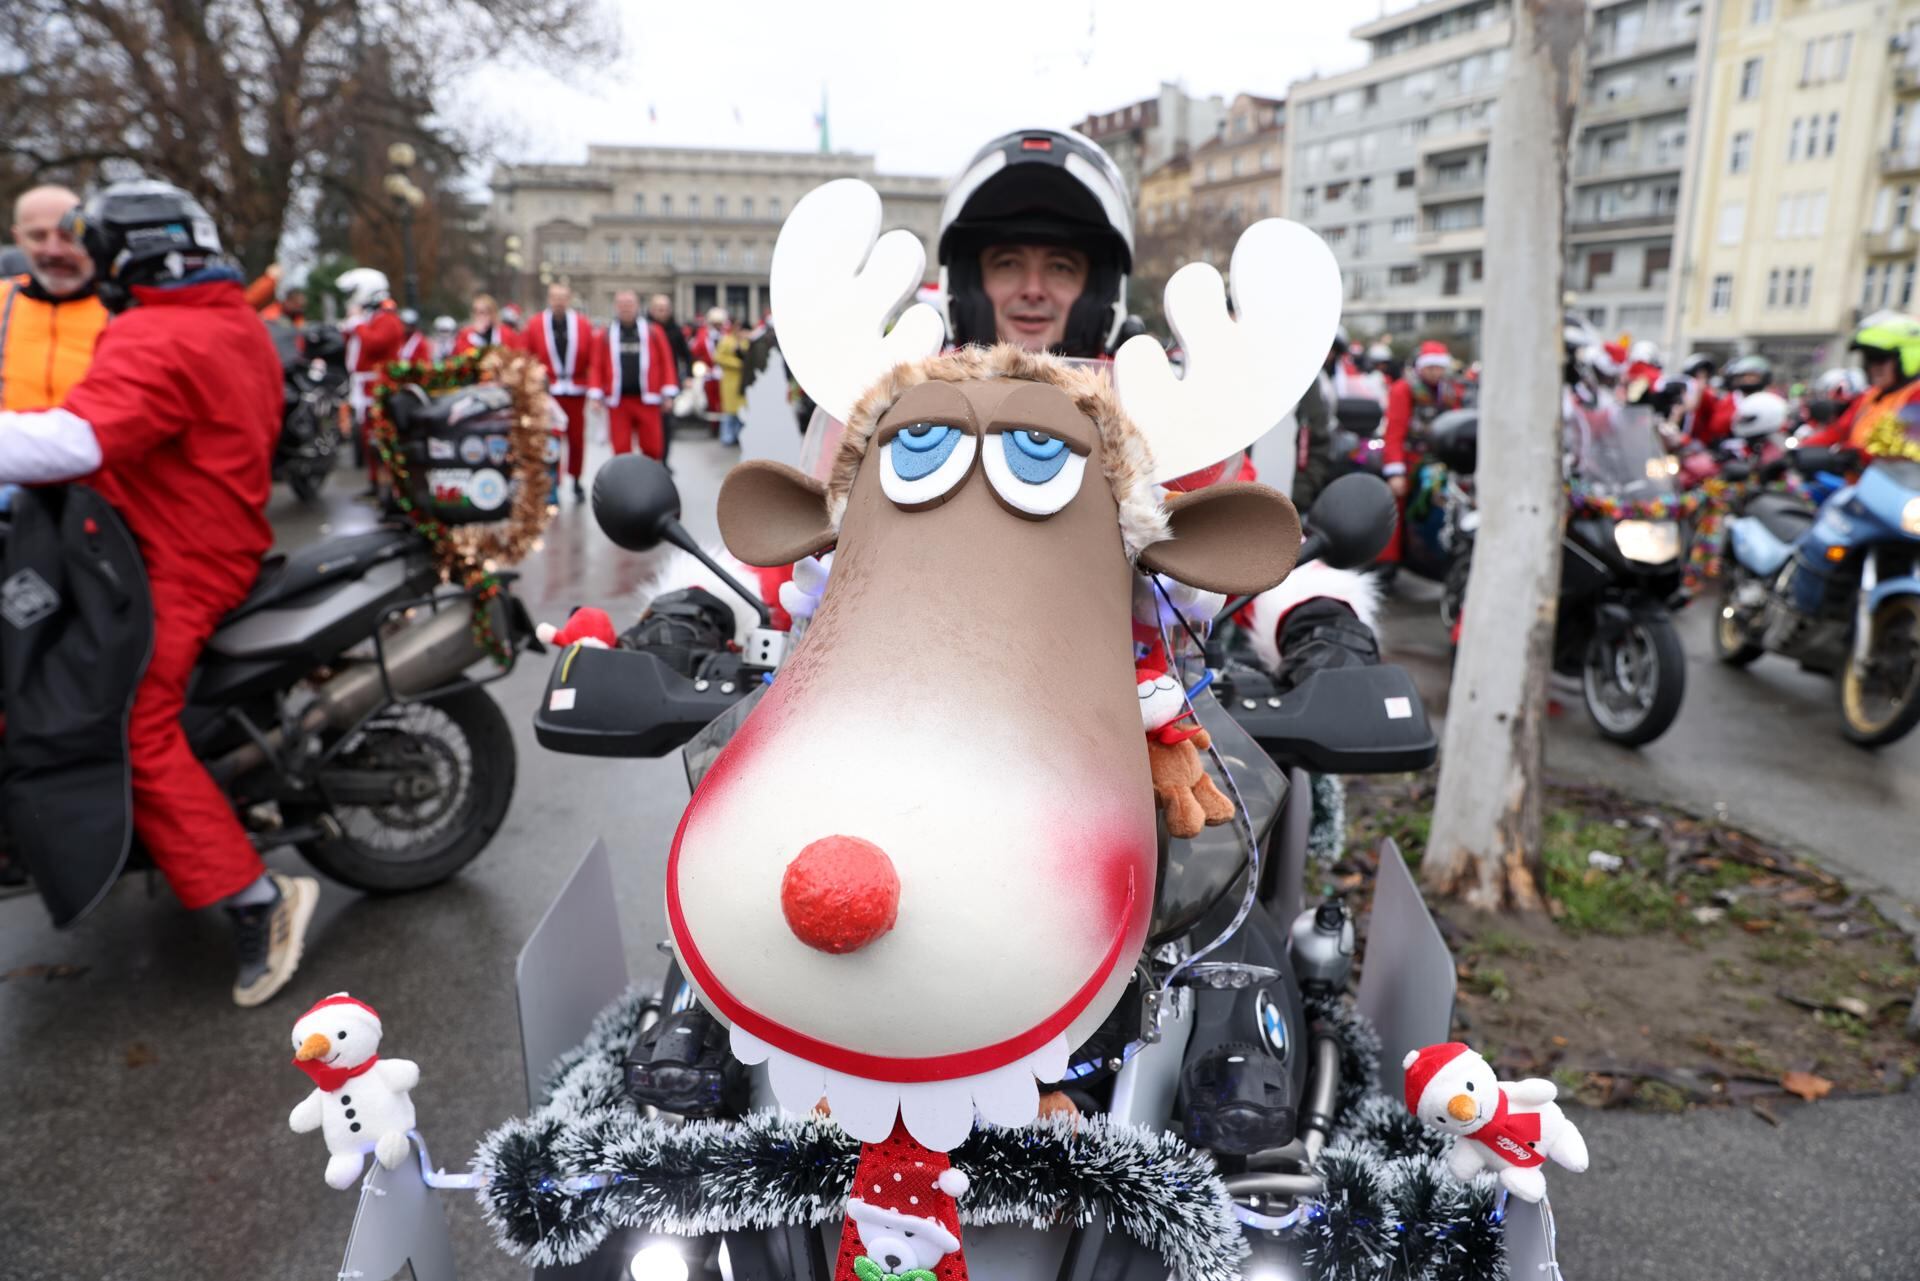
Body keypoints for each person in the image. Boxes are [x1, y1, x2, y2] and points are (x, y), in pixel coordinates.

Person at [0, 180, 310, 1005]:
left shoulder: (160, 334)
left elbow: (76, 437)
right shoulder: (226, 315)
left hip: (175, 554)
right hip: (175, 535)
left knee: (132, 720)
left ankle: (258, 894)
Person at [938, 128, 1132, 358]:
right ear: (967, 285)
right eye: (1007, 264)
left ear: (1100, 292)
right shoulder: (914, 393)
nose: (1033, 291)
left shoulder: (1141, 394)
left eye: (1060, 267)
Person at [1, 185, 109, 412]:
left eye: (67, 236)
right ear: (18, 239)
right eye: (38, 236)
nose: (54, 251)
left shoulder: (125, 309)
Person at [1379, 340, 1464, 565]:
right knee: (1395, 508)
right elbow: (1394, 431)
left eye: (1439, 367)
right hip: (1410, 461)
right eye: (1431, 367)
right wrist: (1395, 470)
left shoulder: (1450, 391)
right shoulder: (1404, 389)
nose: (1436, 372)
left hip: (1442, 462)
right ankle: (1388, 562)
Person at [522, 282, 597, 502]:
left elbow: (592, 359)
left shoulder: (582, 325)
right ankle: (552, 481)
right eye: (555, 297)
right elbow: (528, 356)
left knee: (576, 438)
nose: (558, 302)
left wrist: (593, 389)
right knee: (550, 439)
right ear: (549, 299)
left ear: (569, 299)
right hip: (548, 391)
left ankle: (576, 479)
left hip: (576, 389)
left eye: (562, 297)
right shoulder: (536, 324)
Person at [337, 268, 406, 494]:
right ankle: (375, 482)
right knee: (367, 437)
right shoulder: (372, 318)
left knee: (380, 437)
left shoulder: (387, 319)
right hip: (364, 386)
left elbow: (375, 343)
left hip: (378, 385)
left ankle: (389, 487)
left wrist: (358, 325)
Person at [592, 289, 678, 461]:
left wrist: (668, 393)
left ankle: (651, 482)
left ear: (637, 306)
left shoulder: (653, 331)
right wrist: (595, 394)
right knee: (621, 448)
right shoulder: (605, 334)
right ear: (615, 307)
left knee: (653, 447)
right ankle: (624, 485)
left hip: (648, 400)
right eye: (622, 304)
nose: (626, 308)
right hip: (619, 402)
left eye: (629, 304)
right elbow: (596, 365)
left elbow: (666, 362)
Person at [1836, 312, 1920, 462]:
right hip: (1861, 481)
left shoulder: (1915, 396)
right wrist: (1801, 451)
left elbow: (1907, 449)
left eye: (1880, 358)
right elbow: (1838, 431)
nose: (1874, 368)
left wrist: (1857, 455)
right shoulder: (1870, 395)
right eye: (1869, 359)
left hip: (1895, 482)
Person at [689, 307, 729, 427]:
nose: (717, 326)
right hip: (709, 373)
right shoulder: (703, 336)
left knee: (725, 400)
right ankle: (713, 425)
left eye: (719, 324)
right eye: (715, 323)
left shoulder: (727, 335)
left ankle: (724, 425)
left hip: (725, 373)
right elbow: (694, 351)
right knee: (710, 400)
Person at [715, 318, 749, 445]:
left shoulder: (744, 341)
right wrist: (737, 364)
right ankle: (727, 436)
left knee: (742, 411)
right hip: (730, 380)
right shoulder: (726, 340)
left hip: (743, 381)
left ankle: (739, 436)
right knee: (729, 412)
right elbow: (719, 357)